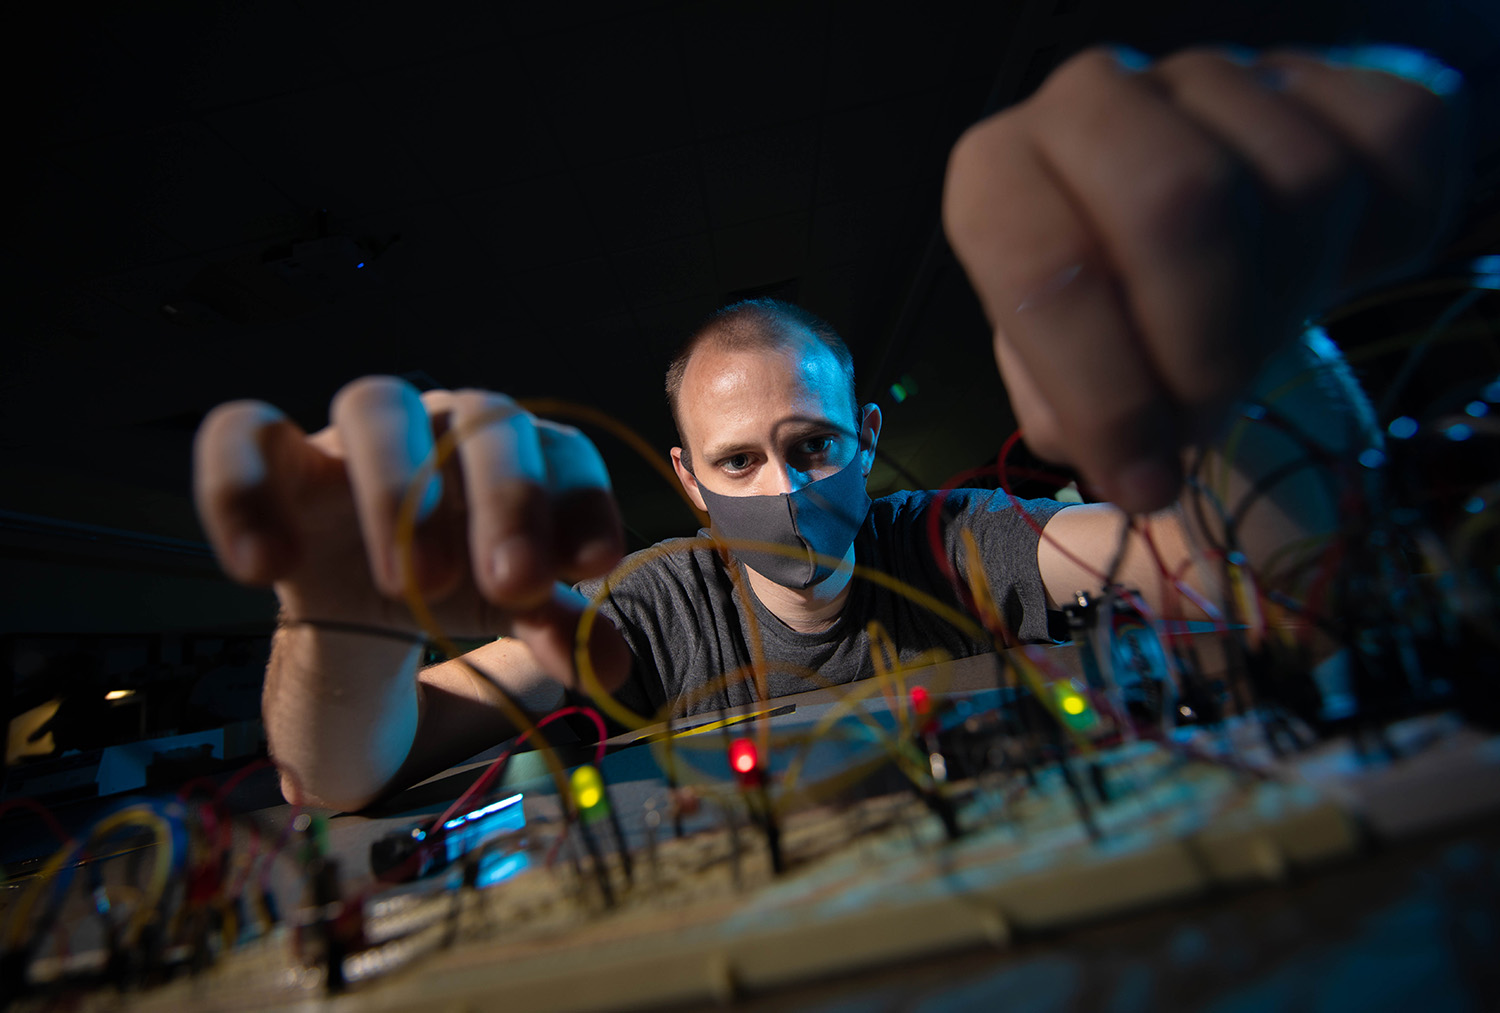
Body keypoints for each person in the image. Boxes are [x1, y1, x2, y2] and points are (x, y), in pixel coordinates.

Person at [192, 46, 1462, 811]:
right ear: (688, 481)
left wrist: (1239, 364)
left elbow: (1228, 565)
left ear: (864, 435)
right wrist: (337, 608)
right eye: (740, 461)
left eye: (811, 446)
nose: (785, 490)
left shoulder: (960, 544)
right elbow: (345, 770)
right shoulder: (650, 611)